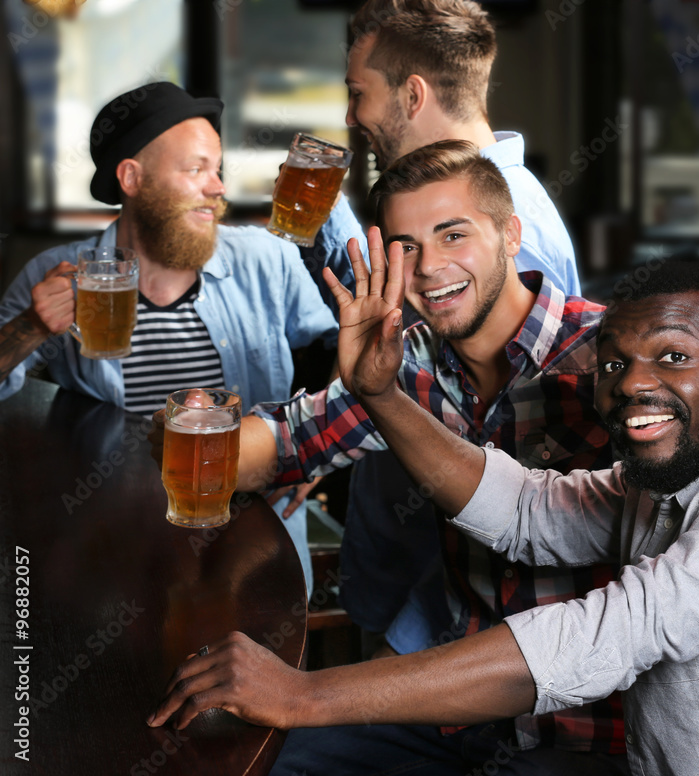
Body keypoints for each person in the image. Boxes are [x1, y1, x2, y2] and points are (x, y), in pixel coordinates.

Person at [148, 255, 699, 776]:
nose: (634, 384)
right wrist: (381, 394)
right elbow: (529, 509)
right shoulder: (675, 467)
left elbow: (601, 635)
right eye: (614, 363)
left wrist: (305, 693)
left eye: (674, 357)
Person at [169, 140, 625, 774]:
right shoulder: (406, 361)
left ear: (511, 234)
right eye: (406, 247)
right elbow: (283, 445)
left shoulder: (612, 359)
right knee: (270, 762)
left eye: (453, 235)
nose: (430, 266)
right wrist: (197, 432)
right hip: (459, 715)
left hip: (586, 732)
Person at [315, 0, 584, 651]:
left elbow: (512, 475)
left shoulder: (513, 242)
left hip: (440, 625)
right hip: (401, 596)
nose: (351, 119)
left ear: (413, 94)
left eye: (359, 95)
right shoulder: (459, 217)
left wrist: (410, 639)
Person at [0, 82, 337, 596]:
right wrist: (30, 326)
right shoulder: (57, 272)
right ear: (132, 177)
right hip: (111, 541)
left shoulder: (266, 259)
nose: (218, 187)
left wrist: (318, 451)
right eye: (196, 169)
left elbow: (349, 355)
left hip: (254, 545)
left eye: (218, 170)